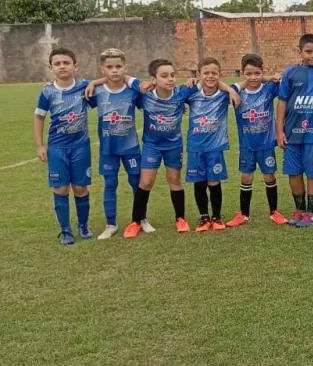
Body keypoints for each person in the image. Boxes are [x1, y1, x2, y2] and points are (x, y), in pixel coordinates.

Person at [128, 58, 199, 235]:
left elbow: (209, 80)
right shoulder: (145, 95)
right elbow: (123, 77)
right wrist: (141, 84)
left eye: (173, 75)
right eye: (164, 76)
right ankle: (136, 221)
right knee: (145, 182)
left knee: (174, 180)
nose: (170, 79)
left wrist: (195, 80)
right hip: (151, 145)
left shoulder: (181, 93)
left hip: (173, 145)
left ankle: (180, 219)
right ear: (154, 79)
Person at [85, 48, 147, 240]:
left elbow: (147, 99)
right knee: (110, 184)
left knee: (137, 182)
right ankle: (111, 224)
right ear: (102, 69)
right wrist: (94, 82)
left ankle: (141, 219)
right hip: (108, 148)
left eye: (118, 66)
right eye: (109, 67)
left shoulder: (133, 91)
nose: (114, 71)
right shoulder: (96, 92)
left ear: (125, 67)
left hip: (130, 146)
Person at [33, 48, 93, 244]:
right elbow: (39, 117)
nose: (62, 66)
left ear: (75, 66)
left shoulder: (85, 87)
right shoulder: (47, 91)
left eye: (66, 63)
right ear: (51, 68)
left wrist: (95, 82)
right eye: (57, 64)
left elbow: (107, 86)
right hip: (57, 147)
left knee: (80, 187)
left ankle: (83, 226)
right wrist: (40, 145)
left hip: (80, 146)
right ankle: (65, 230)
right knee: (60, 189)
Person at [276, 33, 313, 228]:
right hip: (292, 132)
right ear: (300, 52)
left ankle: (311, 212)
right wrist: (279, 130)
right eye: (308, 52)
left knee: (312, 172)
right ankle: (299, 210)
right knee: (294, 173)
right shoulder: (290, 72)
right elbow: (282, 101)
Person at [227, 53, 286, 227]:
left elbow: (282, 82)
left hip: (266, 143)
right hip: (247, 144)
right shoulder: (237, 92)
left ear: (262, 72)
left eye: (257, 73)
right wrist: (259, 79)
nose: (253, 77)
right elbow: (228, 87)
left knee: (269, 176)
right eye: (248, 74)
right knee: (246, 178)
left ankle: (274, 211)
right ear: (242, 74)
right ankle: (243, 214)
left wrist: (270, 78)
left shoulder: (268, 89)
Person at [185, 57, 240, 231]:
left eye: (214, 73)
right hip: (195, 146)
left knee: (214, 182)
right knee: (199, 182)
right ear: (199, 74)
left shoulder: (224, 95)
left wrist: (231, 89)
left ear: (220, 74)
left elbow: (246, 82)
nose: (210, 76)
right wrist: (191, 82)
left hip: (215, 147)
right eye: (206, 73)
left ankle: (216, 216)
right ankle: (203, 217)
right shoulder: (191, 92)